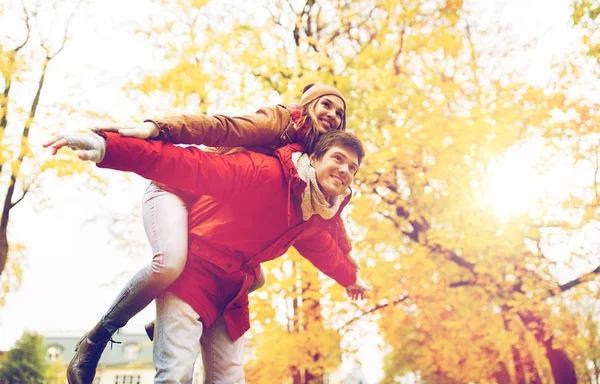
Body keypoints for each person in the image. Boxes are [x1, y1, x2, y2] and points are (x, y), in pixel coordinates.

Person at [44, 83, 359, 382]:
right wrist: (154, 129)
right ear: (306, 107)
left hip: (209, 201)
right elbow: (219, 128)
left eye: (339, 113)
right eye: (325, 105)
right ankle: (98, 337)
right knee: (170, 263)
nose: (332, 115)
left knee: (255, 277)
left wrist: (350, 266)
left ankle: (178, 311)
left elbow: (326, 223)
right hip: (178, 185)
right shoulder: (279, 124)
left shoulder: (316, 177)